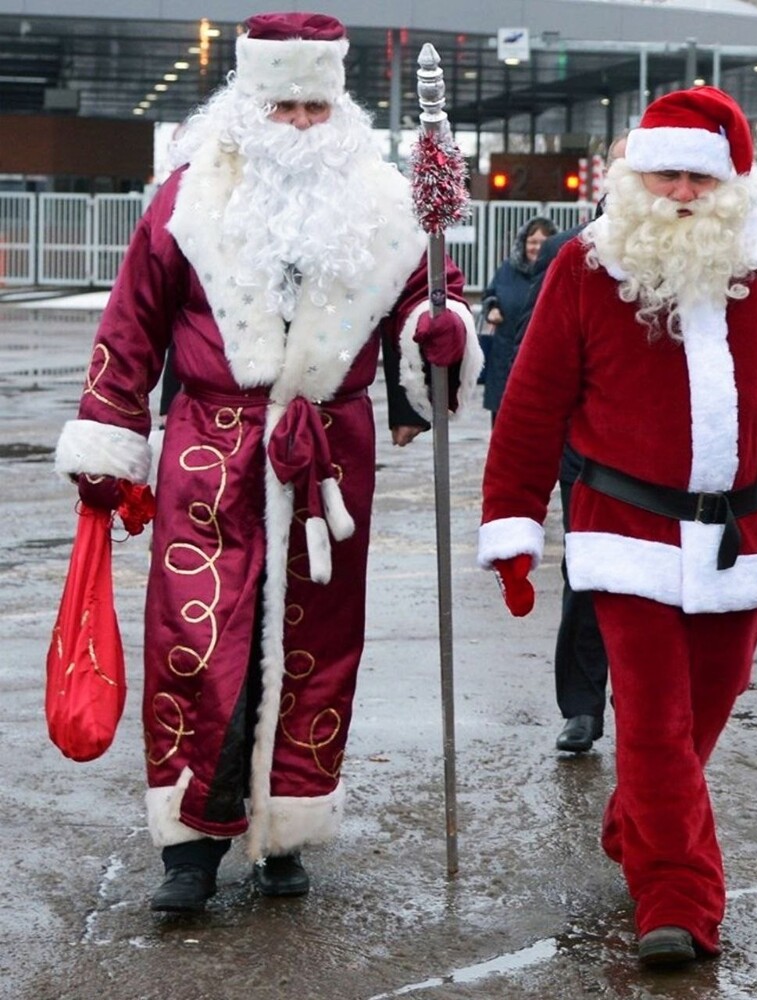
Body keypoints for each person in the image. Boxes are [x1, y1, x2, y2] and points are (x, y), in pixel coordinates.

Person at [477, 86, 757, 968]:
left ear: (730, 184)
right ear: (635, 177)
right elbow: (531, 407)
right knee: (651, 721)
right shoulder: (587, 264)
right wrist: (514, 520)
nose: (680, 191)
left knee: (704, 713)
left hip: (741, 534)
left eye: (697, 176)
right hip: (625, 532)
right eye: (664, 174)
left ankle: (635, 823)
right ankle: (676, 897)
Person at [53, 10, 482, 915]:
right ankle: (192, 844)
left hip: (328, 453)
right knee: (197, 640)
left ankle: (285, 828)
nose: (294, 124)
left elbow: (421, 311)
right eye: (279, 105)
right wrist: (109, 435)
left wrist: (435, 339)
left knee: (319, 644)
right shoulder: (185, 199)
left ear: (337, 109)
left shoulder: (385, 206)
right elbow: (130, 323)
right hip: (211, 448)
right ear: (248, 100)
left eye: (309, 108)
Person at [512, 136, 628, 754]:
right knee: (586, 575)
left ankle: (641, 706)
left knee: (654, 589)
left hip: (664, 454)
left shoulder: (699, 252)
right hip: (586, 453)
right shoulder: (570, 251)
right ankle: (581, 707)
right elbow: (535, 360)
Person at [480, 216, 557, 424]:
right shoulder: (508, 268)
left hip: (541, 360)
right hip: (504, 356)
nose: (536, 248)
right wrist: (492, 308)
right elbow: (490, 293)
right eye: (532, 242)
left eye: (542, 243)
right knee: (501, 422)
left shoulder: (557, 272)